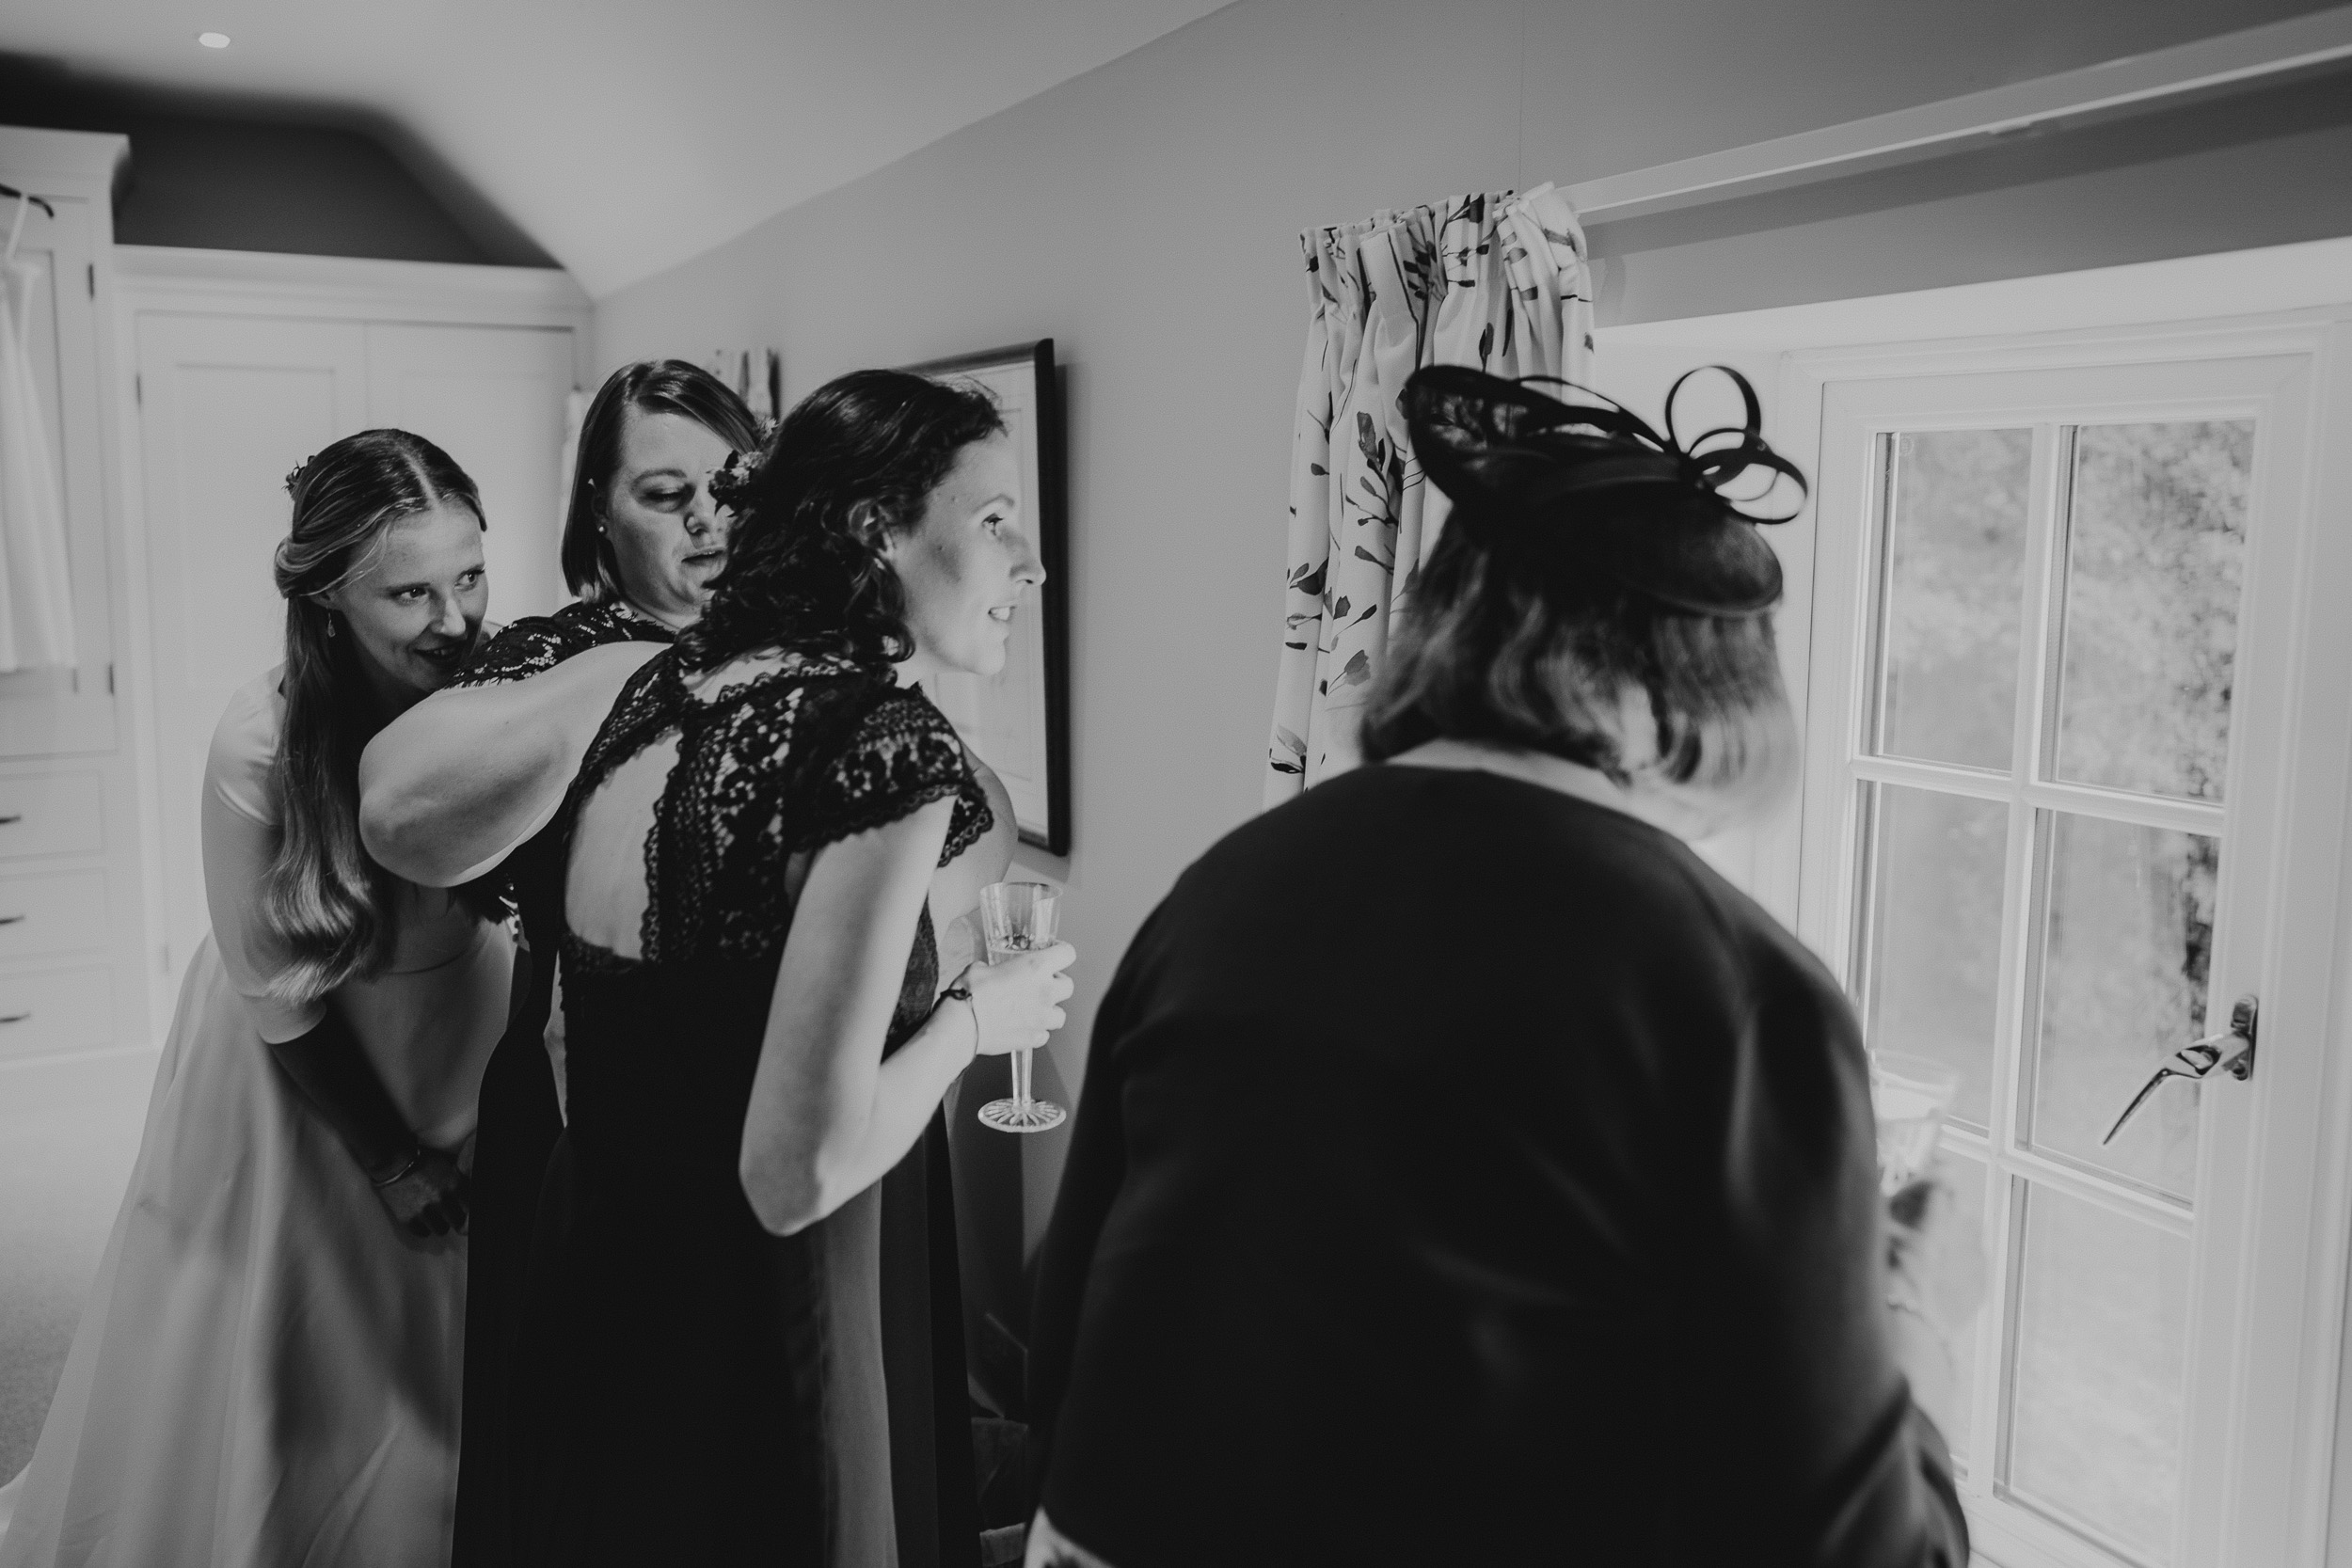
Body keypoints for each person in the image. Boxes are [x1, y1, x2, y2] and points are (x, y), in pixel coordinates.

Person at [1024, 366, 1978, 1567]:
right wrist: (1916, 1320)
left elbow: (1064, 1348)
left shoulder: (1224, 888)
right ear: (1710, 680)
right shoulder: (1733, 984)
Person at [513, 369, 1073, 1567]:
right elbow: (793, 1170)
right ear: (875, 528)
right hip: (762, 1343)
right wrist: (980, 1019)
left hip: (601, 1296)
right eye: (992, 520)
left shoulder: (662, 691)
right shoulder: (872, 745)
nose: (1030, 562)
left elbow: (589, 1029)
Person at [0, 432, 516, 1568]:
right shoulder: (263, 742)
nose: (455, 617)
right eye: (412, 591)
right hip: (312, 1063)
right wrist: (389, 1156)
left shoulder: (505, 686)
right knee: (304, 1338)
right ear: (331, 595)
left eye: (471, 574)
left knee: (464, 1328)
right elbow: (279, 998)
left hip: (463, 1027)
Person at [356, 359, 762, 1567]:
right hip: (590, 1093)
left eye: (731, 486)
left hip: (767, 1083)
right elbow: (400, 802)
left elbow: (967, 808)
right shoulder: (553, 654)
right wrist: (666, 660)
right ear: (598, 515)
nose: (706, 519)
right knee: (598, 1448)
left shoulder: (814, 643)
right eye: (664, 492)